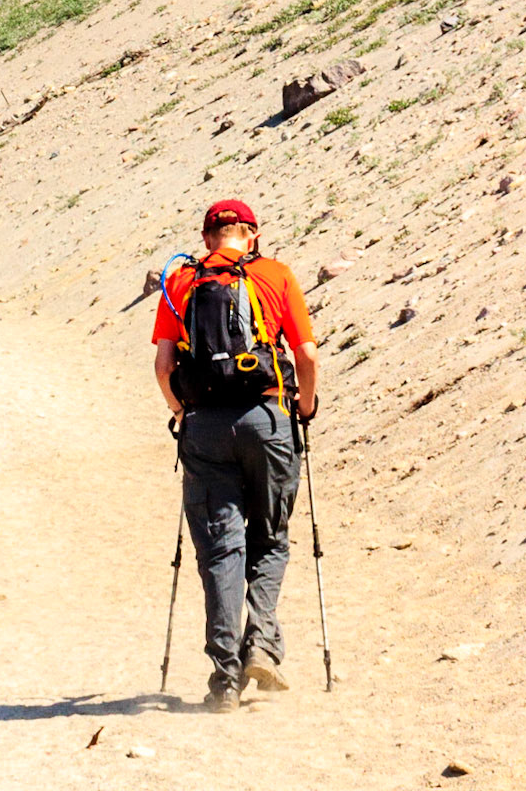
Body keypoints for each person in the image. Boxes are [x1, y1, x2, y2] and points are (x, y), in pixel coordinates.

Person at [151, 198, 318, 710]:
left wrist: (183, 412)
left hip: (204, 427)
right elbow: (306, 354)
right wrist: (305, 408)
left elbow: (162, 366)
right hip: (268, 420)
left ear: (206, 238)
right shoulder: (275, 275)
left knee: (222, 551)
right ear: (253, 234)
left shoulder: (180, 282)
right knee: (269, 537)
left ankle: (224, 680)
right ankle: (261, 645)